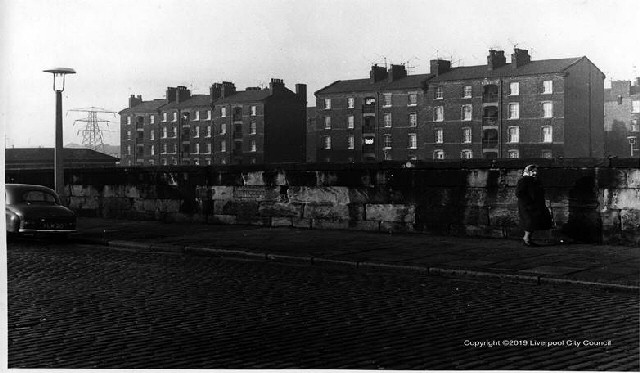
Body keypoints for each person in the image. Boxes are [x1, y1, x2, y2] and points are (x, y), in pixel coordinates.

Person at [516, 164, 553, 246]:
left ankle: (528, 238)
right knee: (529, 221)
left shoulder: (536, 180)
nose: (535, 173)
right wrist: (528, 202)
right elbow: (519, 193)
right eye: (533, 171)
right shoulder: (523, 180)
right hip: (527, 205)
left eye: (536, 171)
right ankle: (526, 239)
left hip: (535, 205)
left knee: (534, 222)